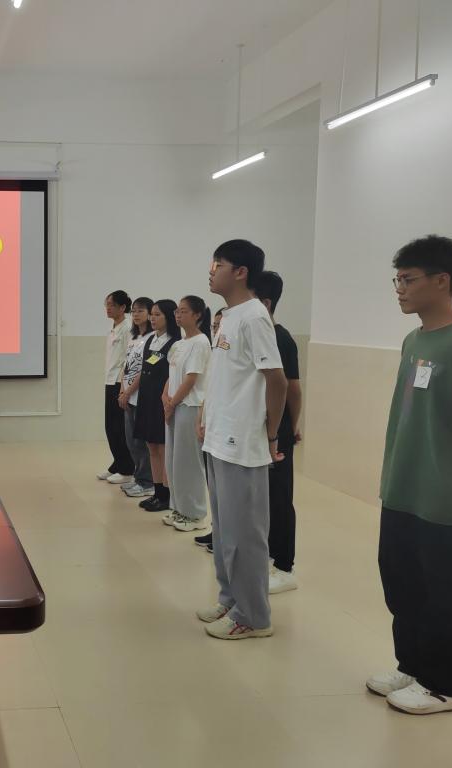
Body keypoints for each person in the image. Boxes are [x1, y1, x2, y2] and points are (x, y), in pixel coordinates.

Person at [368, 235, 452, 715]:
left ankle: (444, 686)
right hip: (403, 484)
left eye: (408, 279)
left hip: (445, 492)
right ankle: (413, 665)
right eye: (397, 280)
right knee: (402, 581)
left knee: (446, 591)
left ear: (442, 281)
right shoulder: (414, 340)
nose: (399, 289)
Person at [197, 240, 287, 640]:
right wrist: (206, 416)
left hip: (242, 443)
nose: (210, 271)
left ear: (240, 272)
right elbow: (224, 377)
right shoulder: (229, 317)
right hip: (218, 438)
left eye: (218, 264)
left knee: (245, 535)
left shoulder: (254, 317)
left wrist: (271, 433)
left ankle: (253, 615)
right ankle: (231, 597)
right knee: (224, 531)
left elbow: (276, 380)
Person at [253, 271, 302, 594]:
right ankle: (265, 555)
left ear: (266, 303)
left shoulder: (280, 338)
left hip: (277, 428)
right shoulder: (253, 333)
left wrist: (291, 427)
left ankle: (284, 566)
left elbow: (292, 389)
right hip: (255, 426)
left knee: (279, 496)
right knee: (261, 496)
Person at [160, 295, 212, 531]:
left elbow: (191, 379)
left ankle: (195, 514)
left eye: (183, 311)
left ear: (197, 315)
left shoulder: (201, 342)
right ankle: (180, 508)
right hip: (174, 406)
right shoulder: (179, 344)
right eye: (177, 311)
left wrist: (172, 404)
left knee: (189, 462)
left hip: (189, 407)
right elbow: (172, 376)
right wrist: (165, 397)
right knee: (173, 461)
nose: (178, 315)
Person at [134, 300, 179, 510]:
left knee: (162, 447)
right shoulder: (151, 339)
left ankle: (167, 495)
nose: (152, 318)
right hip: (146, 398)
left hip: (161, 399)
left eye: (157, 314)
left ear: (169, 316)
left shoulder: (175, 342)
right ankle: (157, 490)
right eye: (151, 314)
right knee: (151, 445)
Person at [118, 299, 155, 495]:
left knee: (141, 442)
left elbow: (145, 369)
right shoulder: (133, 338)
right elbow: (126, 366)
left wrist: (129, 391)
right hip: (128, 396)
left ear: (150, 313)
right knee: (130, 441)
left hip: (140, 396)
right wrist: (122, 390)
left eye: (140, 311)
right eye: (133, 311)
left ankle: (147, 482)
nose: (136, 314)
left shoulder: (152, 337)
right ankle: (139, 477)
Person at [98, 291, 135, 484]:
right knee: (110, 427)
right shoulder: (114, 328)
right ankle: (118, 463)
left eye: (112, 305)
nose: (108, 308)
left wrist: (124, 387)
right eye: (107, 304)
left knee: (119, 427)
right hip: (109, 381)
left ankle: (127, 469)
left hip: (119, 383)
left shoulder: (127, 328)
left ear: (122, 307)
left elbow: (129, 359)